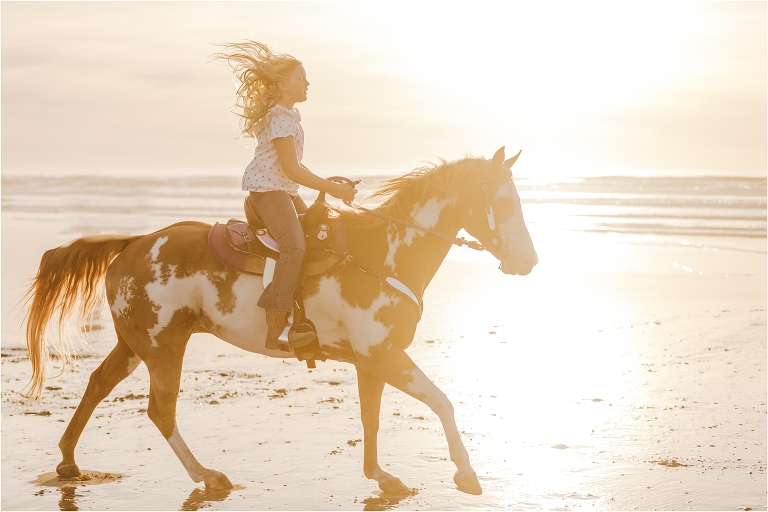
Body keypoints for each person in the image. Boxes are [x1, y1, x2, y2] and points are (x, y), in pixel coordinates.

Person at [215, 41, 357, 349]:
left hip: (285, 192)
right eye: (301, 78)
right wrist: (333, 189)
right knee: (294, 246)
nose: (307, 83)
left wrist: (329, 186)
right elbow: (292, 171)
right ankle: (276, 323)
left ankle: (306, 310)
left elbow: (293, 167)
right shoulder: (279, 118)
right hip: (270, 193)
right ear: (283, 84)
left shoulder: (288, 118)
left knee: (319, 239)